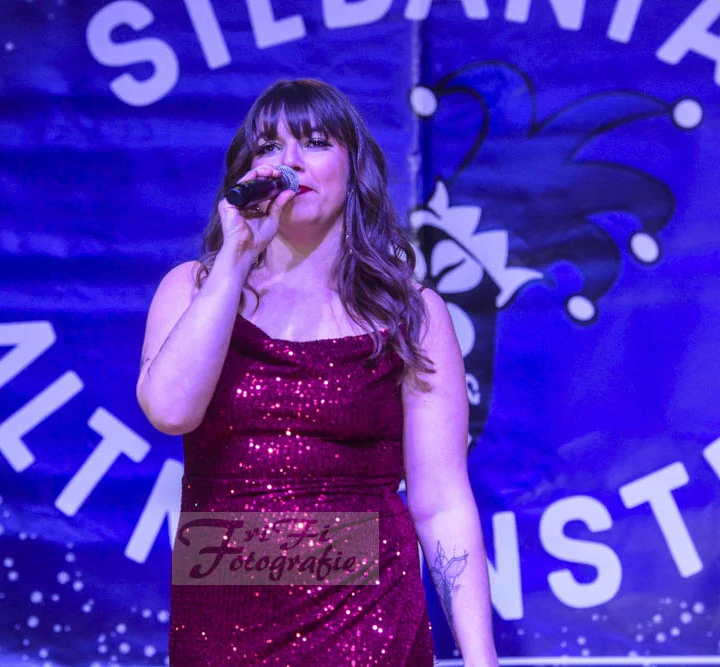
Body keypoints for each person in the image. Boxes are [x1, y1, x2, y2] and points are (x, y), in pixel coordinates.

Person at [137, 79, 498, 666]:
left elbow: (442, 503)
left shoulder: (409, 312)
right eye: (269, 147)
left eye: (314, 142)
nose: (290, 162)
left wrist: (482, 661)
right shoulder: (194, 288)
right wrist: (235, 258)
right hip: (225, 618)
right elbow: (170, 411)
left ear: (355, 169)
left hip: (368, 621)